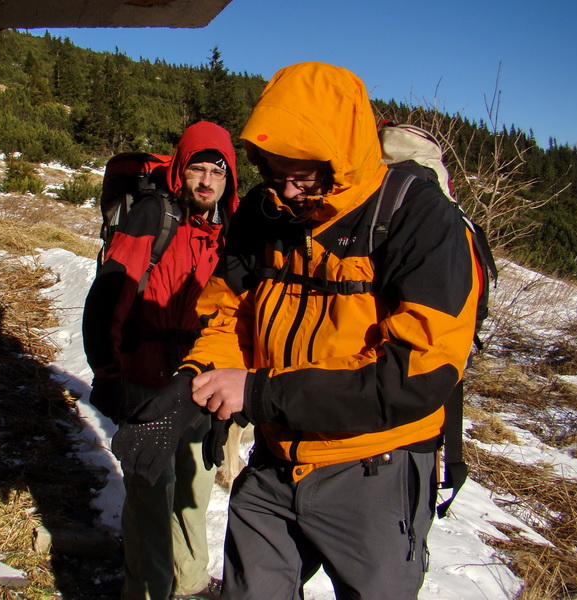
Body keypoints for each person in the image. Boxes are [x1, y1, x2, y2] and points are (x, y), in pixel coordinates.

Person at [113, 63, 482, 600]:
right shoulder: (266, 214)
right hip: (276, 459)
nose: (287, 189)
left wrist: (260, 392)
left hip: (375, 468)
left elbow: (417, 374)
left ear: (346, 150)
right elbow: (229, 314)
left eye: (305, 174)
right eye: (273, 168)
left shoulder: (419, 220)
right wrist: (192, 383)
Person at [82, 120, 238, 600]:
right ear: (179, 169)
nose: (207, 181)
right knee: (152, 491)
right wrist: (109, 374)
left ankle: (189, 585)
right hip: (146, 380)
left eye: (218, 171)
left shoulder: (227, 231)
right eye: (197, 169)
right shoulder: (154, 215)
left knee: (195, 491)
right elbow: (109, 296)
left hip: (200, 385)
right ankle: (148, 590)